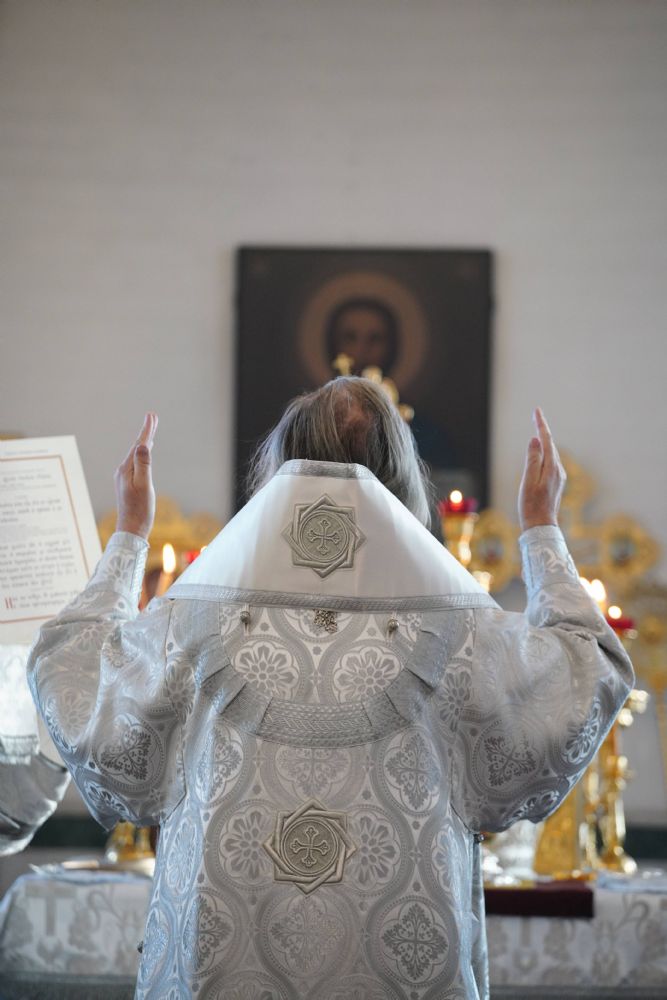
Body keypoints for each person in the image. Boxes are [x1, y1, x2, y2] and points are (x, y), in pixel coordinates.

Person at [27, 379, 633, 999]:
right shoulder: (462, 629)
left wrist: (130, 535)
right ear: (400, 476)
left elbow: (76, 676)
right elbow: (585, 670)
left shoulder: (189, 621)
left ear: (283, 463)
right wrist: (541, 529)